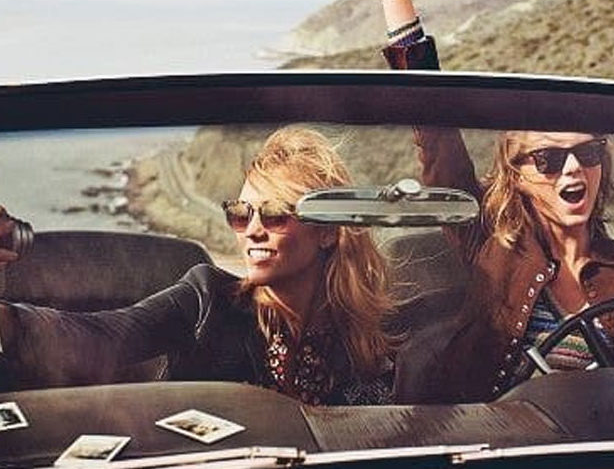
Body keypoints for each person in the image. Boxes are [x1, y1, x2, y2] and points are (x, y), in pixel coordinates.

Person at [371, 0, 614, 403]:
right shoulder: (490, 241)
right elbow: (435, 126)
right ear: (517, 174)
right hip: (486, 429)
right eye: (549, 159)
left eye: (589, 152)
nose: (574, 168)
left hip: (596, 433)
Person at [0, 126, 394, 405]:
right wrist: (6, 319)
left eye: (275, 214)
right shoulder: (208, 300)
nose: (252, 230)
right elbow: (101, 336)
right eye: (241, 213)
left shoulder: (372, 333)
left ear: (327, 232)